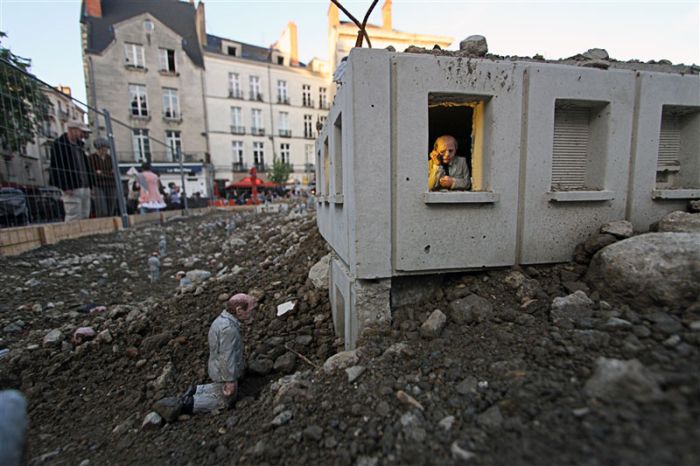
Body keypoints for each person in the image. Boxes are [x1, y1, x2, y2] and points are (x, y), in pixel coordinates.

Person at [154, 294, 256, 419]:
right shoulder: (229, 329)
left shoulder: (221, 320)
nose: (251, 314)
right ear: (239, 310)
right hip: (222, 371)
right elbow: (226, 355)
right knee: (225, 400)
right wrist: (229, 380)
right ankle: (186, 404)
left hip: (216, 367)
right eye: (249, 310)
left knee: (220, 388)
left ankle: (196, 390)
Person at [49, 120, 92, 221]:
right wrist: (64, 186)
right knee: (73, 216)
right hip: (72, 187)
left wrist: (90, 184)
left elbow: (86, 166)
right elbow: (56, 167)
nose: (83, 135)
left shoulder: (80, 146)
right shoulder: (59, 145)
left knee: (85, 215)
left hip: (84, 186)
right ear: (72, 130)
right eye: (81, 131)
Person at [87, 137, 118, 217]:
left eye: (106, 148)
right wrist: (106, 173)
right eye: (103, 148)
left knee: (111, 207)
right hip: (98, 185)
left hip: (111, 185)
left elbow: (114, 172)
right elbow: (93, 172)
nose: (105, 150)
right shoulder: (91, 158)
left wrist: (102, 173)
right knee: (102, 208)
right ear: (98, 148)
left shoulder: (110, 158)